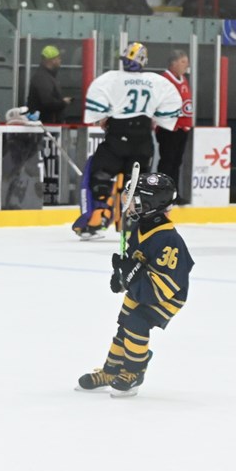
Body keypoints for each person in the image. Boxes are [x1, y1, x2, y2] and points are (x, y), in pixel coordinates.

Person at [76, 173, 194, 396]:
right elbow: (135, 262)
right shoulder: (140, 227)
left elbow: (165, 283)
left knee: (136, 322)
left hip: (167, 295)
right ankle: (111, 371)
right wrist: (121, 276)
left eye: (135, 200)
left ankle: (134, 371)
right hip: (142, 286)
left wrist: (131, 275)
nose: (128, 204)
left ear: (150, 204)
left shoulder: (168, 239)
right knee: (124, 324)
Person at [72, 43, 182, 239]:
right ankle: (135, 224)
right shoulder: (156, 82)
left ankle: (98, 218)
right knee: (136, 184)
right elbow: (170, 109)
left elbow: (98, 107)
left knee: (100, 174)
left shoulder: (112, 79)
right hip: (143, 140)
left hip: (118, 137)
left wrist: (104, 117)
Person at [155, 50, 193, 190]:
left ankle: (173, 192)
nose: (186, 65)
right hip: (169, 127)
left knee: (177, 161)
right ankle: (162, 191)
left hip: (182, 127)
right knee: (167, 160)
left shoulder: (183, 79)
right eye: (183, 61)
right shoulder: (164, 79)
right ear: (173, 63)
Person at [25, 44, 69, 124]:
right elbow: (47, 102)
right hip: (46, 126)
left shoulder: (46, 76)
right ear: (52, 60)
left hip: (47, 124)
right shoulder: (42, 78)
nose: (60, 60)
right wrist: (63, 103)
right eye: (58, 58)